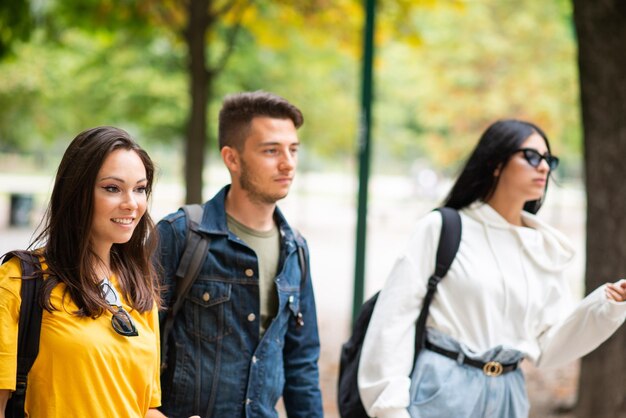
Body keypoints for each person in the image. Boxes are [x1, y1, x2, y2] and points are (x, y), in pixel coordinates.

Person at [357, 119, 626, 418]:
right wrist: (390, 410)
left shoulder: (543, 248)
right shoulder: (442, 228)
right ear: (496, 163)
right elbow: (393, 322)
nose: (544, 168)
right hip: (442, 389)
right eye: (532, 156)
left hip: (508, 396)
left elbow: (549, 348)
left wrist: (606, 306)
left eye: (549, 159)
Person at [156, 91, 323, 417]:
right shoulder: (181, 234)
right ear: (232, 158)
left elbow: (301, 365)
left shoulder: (295, 250)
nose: (287, 163)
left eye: (293, 149)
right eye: (271, 150)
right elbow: (136, 344)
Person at [0, 127, 167, 418]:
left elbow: (142, 407)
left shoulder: (138, 286)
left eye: (140, 189)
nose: (132, 203)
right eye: (112, 188)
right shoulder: (20, 280)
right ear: (77, 192)